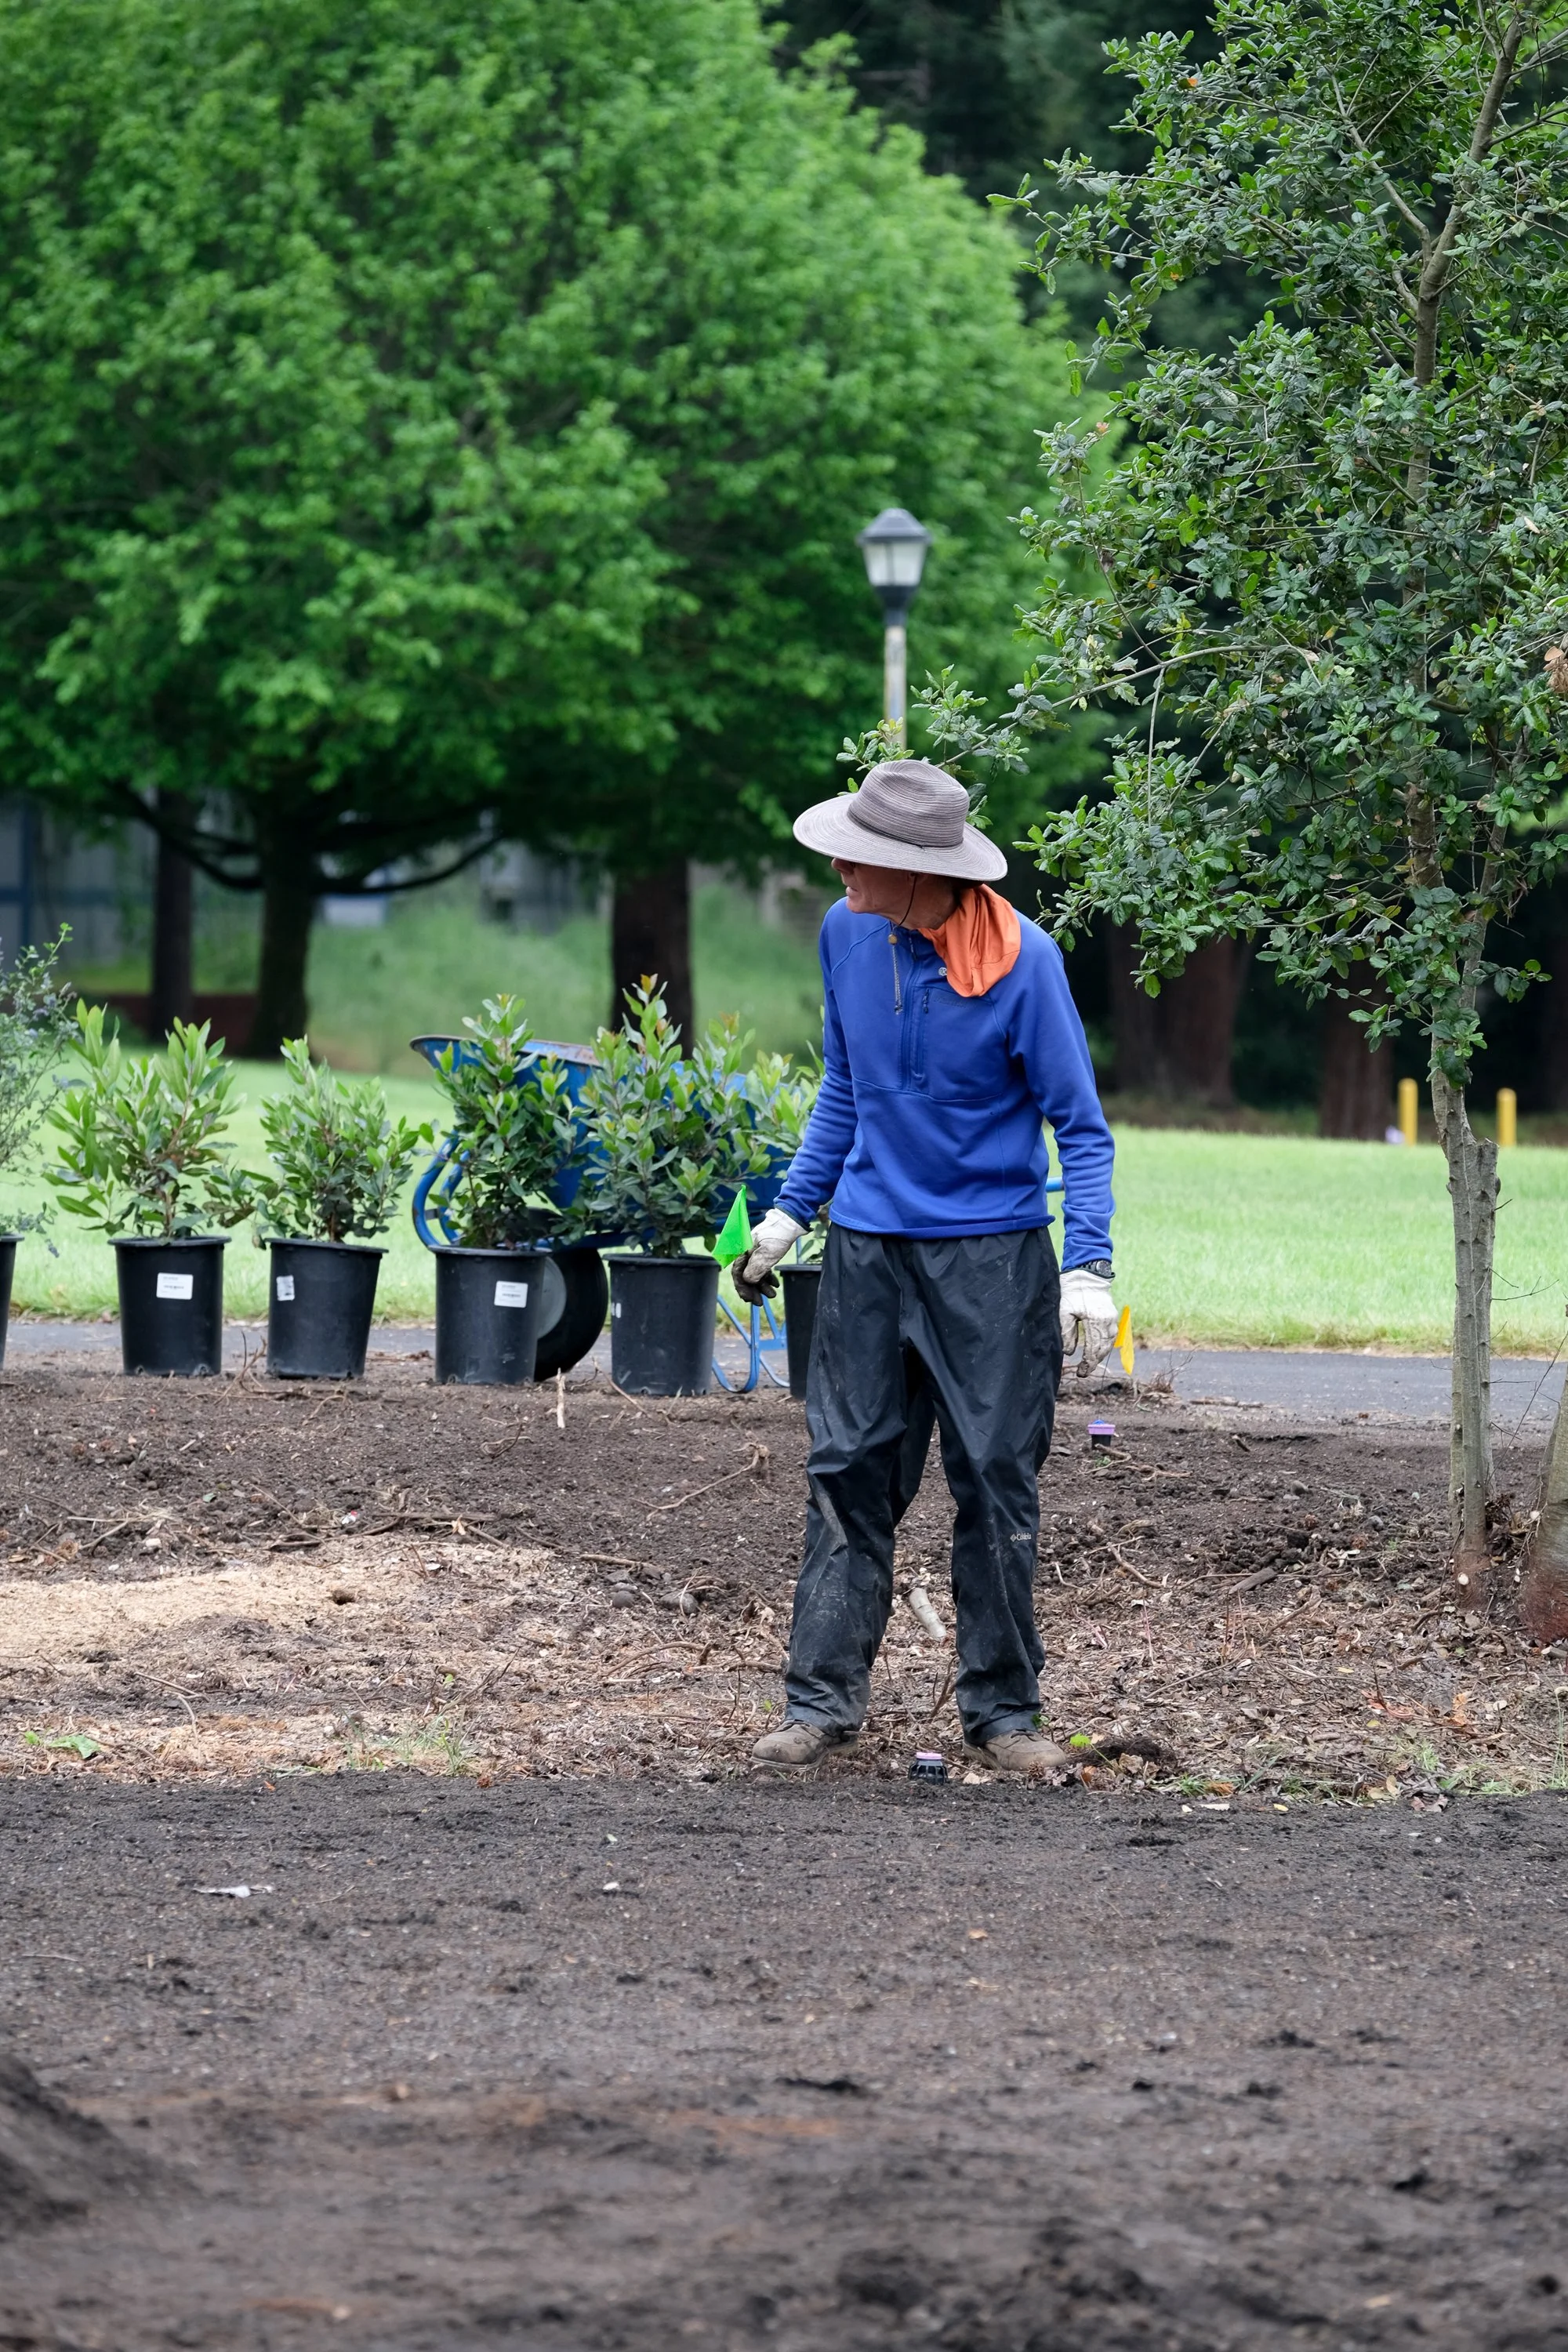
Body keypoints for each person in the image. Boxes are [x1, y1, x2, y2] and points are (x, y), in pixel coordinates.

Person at [735, 758, 1117, 1776]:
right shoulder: (845, 932)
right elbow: (846, 1089)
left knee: (995, 1480)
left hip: (992, 1262)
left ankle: (1003, 1715)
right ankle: (818, 1702)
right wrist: (789, 1212)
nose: (840, 872)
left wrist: (1089, 1265)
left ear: (921, 873)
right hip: (867, 1249)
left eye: (860, 859)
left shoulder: (1025, 963)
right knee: (847, 1469)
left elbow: (1080, 1128)